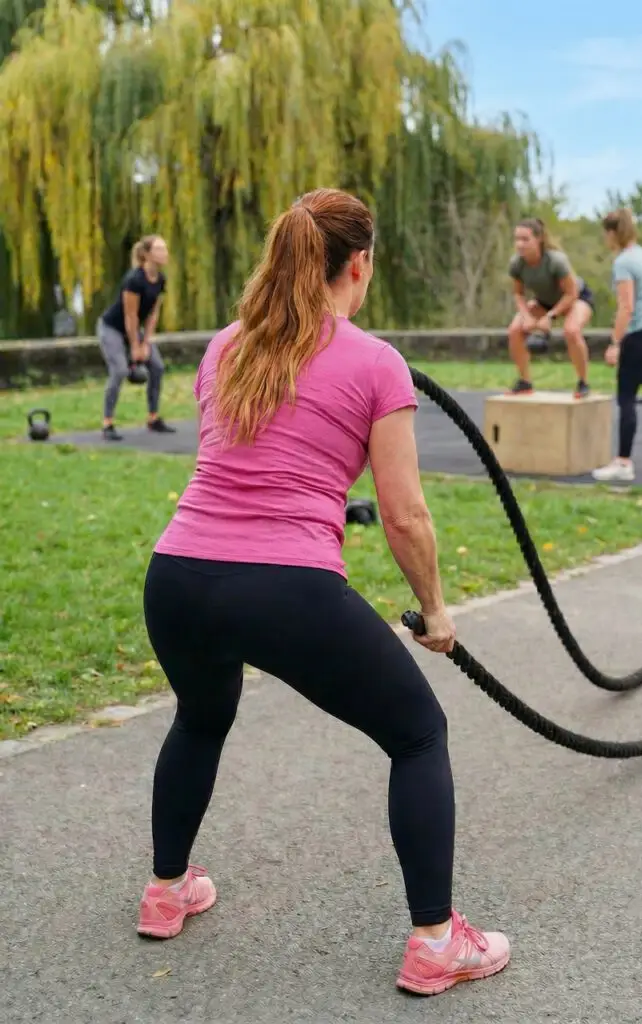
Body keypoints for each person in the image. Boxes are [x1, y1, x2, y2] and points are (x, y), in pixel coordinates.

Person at [137, 188, 511, 996]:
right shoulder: (374, 361)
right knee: (417, 734)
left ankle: (167, 891)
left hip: (177, 578)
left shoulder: (224, 347)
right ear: (359, 263)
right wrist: (437, 612)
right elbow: (406, 514)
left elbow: (252, 460)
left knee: (200, 718)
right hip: (282, 587)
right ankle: (437, 941)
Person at [592, 209, 642, 482]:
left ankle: (623, 463)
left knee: (626, 397)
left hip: (640, 334)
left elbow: (626, 306)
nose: (605, 238)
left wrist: (616, 343)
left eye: (606, 232)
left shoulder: (624, 262)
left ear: (613, 232)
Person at [97, 234, 176, 441]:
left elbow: (152, 314)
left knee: (157, 366)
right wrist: (135, 346)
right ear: (147, 254)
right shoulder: (134, 280)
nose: (164, 253)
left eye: (165, 249)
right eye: (159, 249)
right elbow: (130, 316)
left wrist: (146, 343)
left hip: (134, 329)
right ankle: (107, 423)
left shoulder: (160, 280)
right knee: (120, 370)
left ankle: (153, 418)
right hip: (112, 328)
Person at [507, 217, 594, 398]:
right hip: (545, 301)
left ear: (538, 239)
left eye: (525, 239)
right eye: (517, 239)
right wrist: (528, 317)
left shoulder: (556, 261)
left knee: (571, 331)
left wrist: (550, 317)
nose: (520, 244)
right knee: (515, 329)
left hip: (575, 298)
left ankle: (583, 383)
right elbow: (518, 294)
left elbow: (571, 294)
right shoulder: (517, 263)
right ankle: (525, 382)